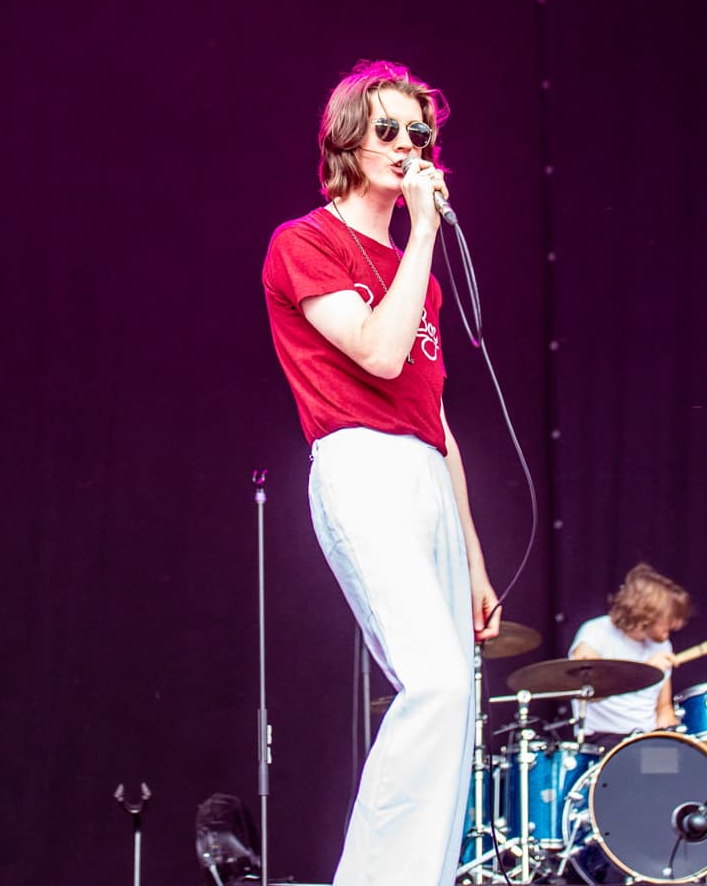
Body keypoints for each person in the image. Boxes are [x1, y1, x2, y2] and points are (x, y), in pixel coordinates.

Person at [262, 59, 501, 886]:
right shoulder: (304, 243)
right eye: (388, 129)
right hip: (360, 465)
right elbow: (378, 351)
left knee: (457, 708)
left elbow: (437, 421)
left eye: (419, 133)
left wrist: (474, 558)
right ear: (347, 139)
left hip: (424, 474)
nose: (407, 146)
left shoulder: (416, 280)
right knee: (435, 684)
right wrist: (424, 232)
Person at [568, 562, 689, 749]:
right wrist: (643, 673)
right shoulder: (595, 633)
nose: (675, 623)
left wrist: (675, 740)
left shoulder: (662, 645)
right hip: (604, 740)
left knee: (679, 763)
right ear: (647, 613)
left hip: (647, 738)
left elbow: (663, 708)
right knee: (633, 764)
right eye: (669, 616)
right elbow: (589, 692)